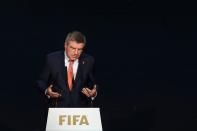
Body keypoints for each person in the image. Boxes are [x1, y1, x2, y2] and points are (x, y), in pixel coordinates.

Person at [37, 31, 97, 107]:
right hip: (57, 108)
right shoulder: (51, 59)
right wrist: (47, 91)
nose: (76, 52)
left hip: (80, 110)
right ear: (65, 45)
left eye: (80, 49)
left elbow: (94, 83)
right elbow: (41, 81)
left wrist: (93, 93)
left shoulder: (89, 61)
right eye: (73, 48)